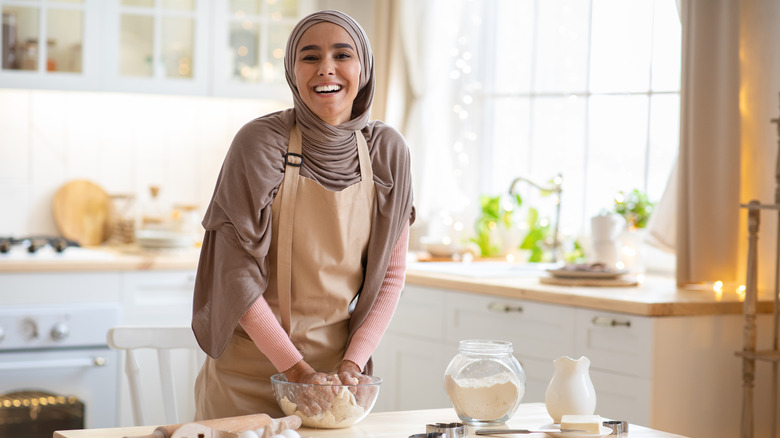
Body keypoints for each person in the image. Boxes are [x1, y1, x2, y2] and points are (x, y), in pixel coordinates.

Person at [190, 9, 415, 420]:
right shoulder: (260, 142)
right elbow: (235, 274)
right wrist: (295, 369)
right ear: (293, 71)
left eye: (342, 55)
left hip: (334, 382)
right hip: (249, 373)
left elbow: (391, 276)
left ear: (363, 68)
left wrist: (351, 365)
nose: (325, 68)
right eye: (309, 57)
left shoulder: (387, 151)